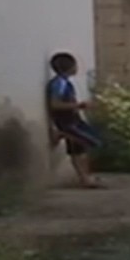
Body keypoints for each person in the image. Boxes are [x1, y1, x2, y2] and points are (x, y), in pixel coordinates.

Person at [47, 52, 104, 188]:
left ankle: (84, 178)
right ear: (70, 66)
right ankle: (62, 133)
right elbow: (55, 104)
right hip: (67, 122)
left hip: (73, 119)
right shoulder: (59, 83)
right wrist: (79, 105)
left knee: (78, 150)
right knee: (91, 141)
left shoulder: (65, 82)